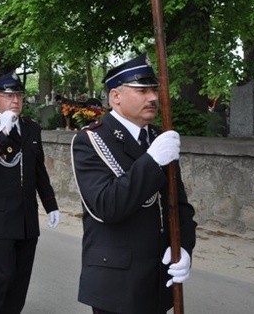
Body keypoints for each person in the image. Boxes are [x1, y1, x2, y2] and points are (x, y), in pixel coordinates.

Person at [71, 54, 197, 314]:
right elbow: (107, 205)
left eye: (154, 90)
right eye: (142, 90)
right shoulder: (91, 140)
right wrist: (151, 161)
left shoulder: (158, 138)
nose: (152, 97)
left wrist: (184, 247)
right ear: (116, 96)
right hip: (117, 284)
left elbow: (179, 206)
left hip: (157, 280)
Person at [0, 71, 60, 314]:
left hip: (26, 216)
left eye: (18, 95)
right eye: (9, 96)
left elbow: (38, 168)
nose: (15, 101)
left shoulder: (31, 128)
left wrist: (50, 204)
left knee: (20, 279)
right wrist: (3, 132)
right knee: (0, 278)